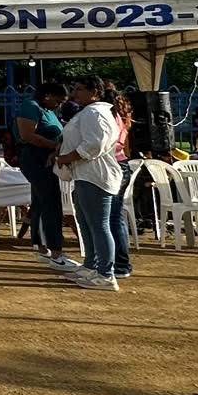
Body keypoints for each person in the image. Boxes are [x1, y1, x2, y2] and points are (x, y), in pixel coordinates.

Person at [55, 75, 131, 291]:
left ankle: (106, 274)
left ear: (95, 92)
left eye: (80, 89)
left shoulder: (94, 113)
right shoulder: (92, 111)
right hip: (86, 174)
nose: (75, 94)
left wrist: (66, 157)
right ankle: (91, 266)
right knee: (87, 223)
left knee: (99, 225)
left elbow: (94, 145)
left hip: (95, 175)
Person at [14, 81, 73, 272]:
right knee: (50, 201)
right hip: (35, 158)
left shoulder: (48, 110)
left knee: (40, 201)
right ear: (47, 96)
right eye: (58, 101)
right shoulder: (31, 106)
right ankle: (55, 250)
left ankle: (42, 246)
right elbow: (27, 135)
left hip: (46, 158)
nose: (59, 105)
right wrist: (53, 146)